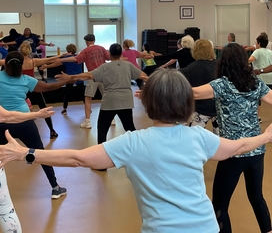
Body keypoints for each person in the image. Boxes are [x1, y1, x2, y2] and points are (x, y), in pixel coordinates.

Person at [2, 68, 272, 232]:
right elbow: (240, 146)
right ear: (186, 102)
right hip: (205, 228)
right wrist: (266, 136)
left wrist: (26, 153)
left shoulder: (132, 143)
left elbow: (78, 158)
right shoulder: (199, 137)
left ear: (148, 103)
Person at [193, 43, 272, 233]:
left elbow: (194, 93)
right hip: (256, 149)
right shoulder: (255, 82)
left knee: (220, 204)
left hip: (232, 152)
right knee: (256, 197)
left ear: (224, 62)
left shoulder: (222, 85)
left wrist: (155, 90)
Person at [55, 43, 148, 171]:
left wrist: (69, 77)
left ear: (109, 54)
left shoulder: (105, 67)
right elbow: (142, 75)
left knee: (102, 130)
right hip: (126, 101)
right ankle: (142, 154)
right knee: (130, 128)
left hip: (110, 102)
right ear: (121, 54)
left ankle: (101, 163)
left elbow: (87, 75)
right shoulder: (129, 66)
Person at [0, 51, 71, 199]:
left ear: (5, 63)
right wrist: (67, 80)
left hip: (2, 124)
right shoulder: (26, 80)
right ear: (22, 65)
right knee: (39, 154)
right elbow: (48, 87)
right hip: (25, 122)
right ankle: (55, 187)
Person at [0, 105, 54, 233]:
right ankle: (55, 186)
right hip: (23, 123)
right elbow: (6, 116)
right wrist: (36, 114)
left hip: (10, 124)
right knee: (5, 209)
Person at [53, 34, 111, 129]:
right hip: (104, 76)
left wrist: (63, 59)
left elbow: (76, 59)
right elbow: (109, 58)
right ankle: (111, 119)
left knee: (88, 99)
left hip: (92, 76)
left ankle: (87, 121)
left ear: (87, 41)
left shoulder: (86, 50)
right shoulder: (102, 48)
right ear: (94, 40)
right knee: (106, 97)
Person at [20, 41, 62, 139]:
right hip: (33, 86)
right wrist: (63, 54)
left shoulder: (17, 62)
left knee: (15, 108)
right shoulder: (33, 61)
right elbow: (50, 59)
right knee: (43, 107)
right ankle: (52, 130)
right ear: (30, 50)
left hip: (21, 88)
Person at [180, 39, 218, 135]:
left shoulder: (191, 68)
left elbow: (175, 77)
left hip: (200, 109)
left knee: (194, 137)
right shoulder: (220, 65)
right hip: (219, 107)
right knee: (220, 139)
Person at [40, 43, 84, 115]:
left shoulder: (66, 58)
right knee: (82, 93)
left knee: (67, 93)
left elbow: (55, 64)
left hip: (69, 77)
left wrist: (46, 66)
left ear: (67, 50)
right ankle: (88, 108)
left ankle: (64, 109)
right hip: (79, 76)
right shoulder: (78, 57)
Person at [248, 34, 272, 123]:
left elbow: (250, 60)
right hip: (270, 77)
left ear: (259, 43)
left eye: (256, 43)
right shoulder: (270, 52)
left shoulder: (257, 51)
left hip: (261, 78)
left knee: (257, 99)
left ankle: (258, 117)